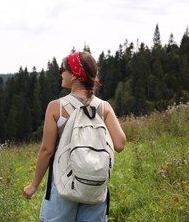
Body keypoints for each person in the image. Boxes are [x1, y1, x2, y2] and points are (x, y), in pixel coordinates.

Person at [23, 51, 127, 222]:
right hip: (94, 186)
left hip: (63, 185)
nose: (61, 73)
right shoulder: (104, 107)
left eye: (62, 69)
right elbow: (120, 144)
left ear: (74, 75)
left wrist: (34, 185)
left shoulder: (56, 107)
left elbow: (47, 150)